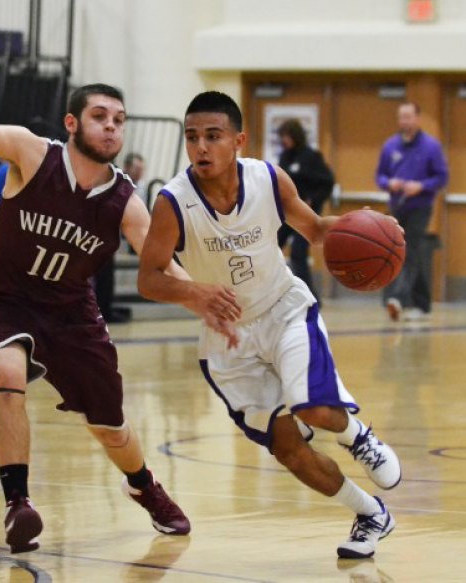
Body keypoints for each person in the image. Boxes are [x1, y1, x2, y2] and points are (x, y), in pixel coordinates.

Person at [0, 48, 191, 554]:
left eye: (119, 121)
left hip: (72, 314)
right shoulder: (33, 153)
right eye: (100, 117)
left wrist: (207, 300)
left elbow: (160, 264)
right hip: (5, 298)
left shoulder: (125, 199)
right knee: (9, 373)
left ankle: (144, 485)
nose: (111, 128)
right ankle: (18, 506)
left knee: (111, 428)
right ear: (72, 122)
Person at [138, 91, 402, 559]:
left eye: (213, 137)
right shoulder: (173, 202)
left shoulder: (267, 179)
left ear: (238, 140)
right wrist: (195, 292)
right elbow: (149, 278)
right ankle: (371, 514)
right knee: (288, 449)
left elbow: (318, 230)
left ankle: (358, 438)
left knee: (314, 408)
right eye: (193, 137)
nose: (201, 147)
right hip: (228, 338)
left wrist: (370, 225)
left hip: (283, 309)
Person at [375, 101, 449, 322]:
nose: (404, 121)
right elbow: (380, 176)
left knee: (411, 250)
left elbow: (441, 177)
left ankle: (397, 298)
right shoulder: (390, 146)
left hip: (420, 206)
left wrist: (421, 186)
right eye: (401, 117)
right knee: (402, 253)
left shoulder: (431, 146)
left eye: (408, 117)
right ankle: (423, 304)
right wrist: (390, 183)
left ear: (417, 118)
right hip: (397, 206)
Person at [277, 119, 334, 306]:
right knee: (271, 246)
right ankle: (273, 293)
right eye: (281, 136)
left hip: (307, 211)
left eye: (286, 136)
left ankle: (311, 298)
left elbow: (327, 182)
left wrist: (312, 199)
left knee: (298, 254)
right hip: (286, 213)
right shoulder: (285, 157)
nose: (283, 140)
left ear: (295, 135)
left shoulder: (311, 156)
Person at [93, 152, 146, 323]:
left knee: (106, 275)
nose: (140, 173)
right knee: (101, 275)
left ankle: (106, 309)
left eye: (142, 169)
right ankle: (102, 310)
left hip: (111, 232)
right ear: (128, 167)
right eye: (137, 169)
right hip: (97, 232)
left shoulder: (134, 185)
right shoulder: (108, 178)